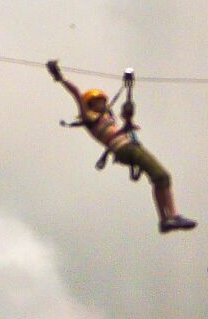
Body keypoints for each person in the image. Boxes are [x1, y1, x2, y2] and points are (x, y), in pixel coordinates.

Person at [47, 60, 196, 234]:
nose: (102, 104)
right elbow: (76, 93)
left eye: (102, 101)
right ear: (90, 105)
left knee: (161, 178)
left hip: (128, 147)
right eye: (98, 102)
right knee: (162, 175)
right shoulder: (88, 117)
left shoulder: (107, 119)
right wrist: (60, 77)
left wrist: (128, 121)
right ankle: (172, 217)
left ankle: (167, 219)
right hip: (125, 148)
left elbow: (124, 124)